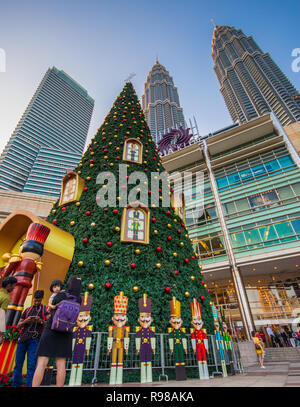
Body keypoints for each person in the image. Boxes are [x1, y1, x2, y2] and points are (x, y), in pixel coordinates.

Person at [32, 276, 82, 387]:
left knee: (42, 362)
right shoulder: (79, 299)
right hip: (67, 331)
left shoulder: (60, 295)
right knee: (61, 364)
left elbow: (50, 309)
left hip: (52, 329)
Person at [12, 290, 48, 387]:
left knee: (31, 366)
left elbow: (49, 324)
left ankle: (30, 385)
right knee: (18, 365)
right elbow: (18, 326)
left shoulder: (45, 309)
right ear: (33, 299)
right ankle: (16, 385)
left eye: (38, 301)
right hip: (22, 339)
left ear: (42, 299)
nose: (36, 303)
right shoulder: (27, 310)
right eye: (35, 301)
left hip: (35, 340)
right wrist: (26, 321)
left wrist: (40, 321)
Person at [0, 276, 17, 343]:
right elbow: (2, 315)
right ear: (9, 285)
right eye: (13, 286)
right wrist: (1, 334)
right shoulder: (6, 297)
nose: (14, 288)